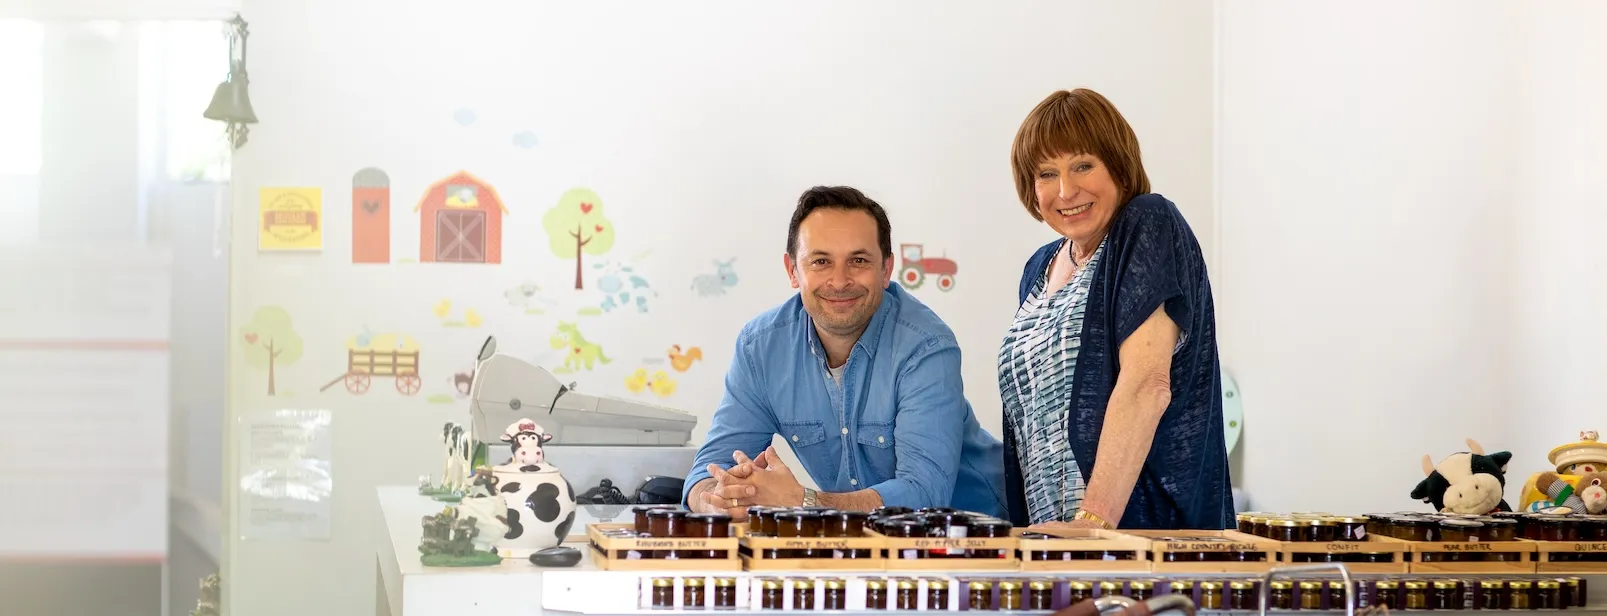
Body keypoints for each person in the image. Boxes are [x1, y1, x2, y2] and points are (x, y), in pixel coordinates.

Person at [681, 186, 1006, 518]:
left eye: (859, 261)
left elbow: (924, 493)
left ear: (886, 270)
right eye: (821, 261)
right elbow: (708, 471)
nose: (839, 281)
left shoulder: (926, 346)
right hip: (861, 543)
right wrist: (718, 497)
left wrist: (803, 502)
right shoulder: (760, 349)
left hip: (982, 536)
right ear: (793, 270)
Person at [996, 88, 1233, 531]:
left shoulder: (1147, 224)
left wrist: (1092, 523)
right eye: (1047, 173)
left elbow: (1148, 385)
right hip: (1057, 542)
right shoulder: (1039, 267)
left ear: (1119, 166)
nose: (1066, 190)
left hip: (1139, 542)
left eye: (1083, 165)